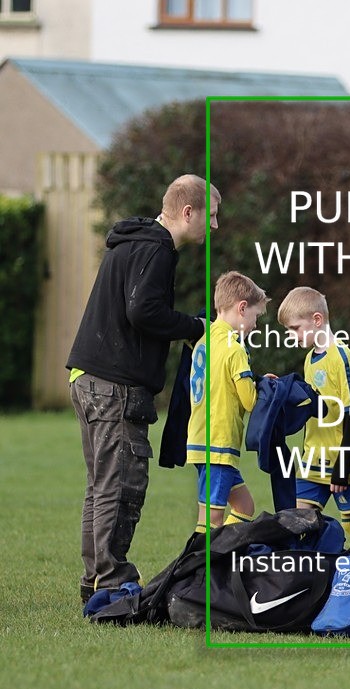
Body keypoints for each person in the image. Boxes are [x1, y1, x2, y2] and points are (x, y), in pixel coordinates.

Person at [67, 174, 217, 602]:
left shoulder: (132, 241)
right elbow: (143, 310)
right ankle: (112, 583)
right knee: (121, 486)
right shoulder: (157, 248)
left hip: (88, 378)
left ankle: (97, 580)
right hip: (115, 386)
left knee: (100, 487)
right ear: (189, 212)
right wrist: (196, 327)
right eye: (213, 216)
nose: (215, 226)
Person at [276, 286, 350, 551]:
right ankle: (308, 587)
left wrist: (342, 467)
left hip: (342, 461)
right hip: (313, 459)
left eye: (295, 328)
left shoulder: (341, 357)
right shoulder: (310, 358)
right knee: (296, 523)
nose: (292, 336)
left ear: (317, 320)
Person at [186, 272, 268, 532]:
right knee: (211, 520)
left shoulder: (204, 339)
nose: (255, 325)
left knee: (244, 506)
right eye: (255, 317)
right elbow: (249, 400)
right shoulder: (235, 347)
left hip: (200, 438)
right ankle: (199, 571)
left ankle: (225, 555)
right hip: (219, 444)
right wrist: (263, 388)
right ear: (242, 308)